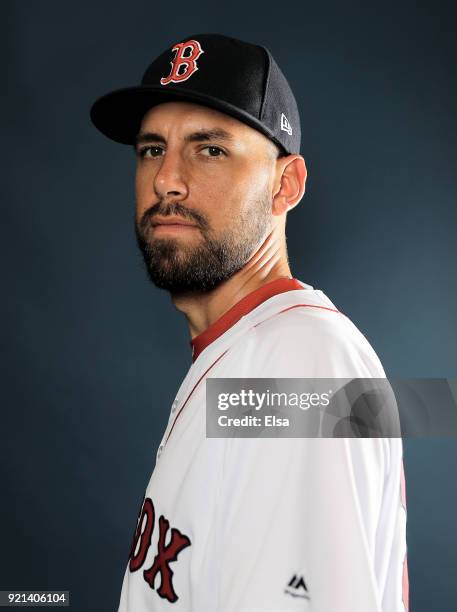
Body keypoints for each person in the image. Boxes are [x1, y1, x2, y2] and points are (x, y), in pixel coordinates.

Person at [90, 33, 408, 611]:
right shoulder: (248, 350)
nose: (167, 180)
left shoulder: (302, 366)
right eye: (152, 149)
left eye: (210, 149)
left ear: (285, 185)